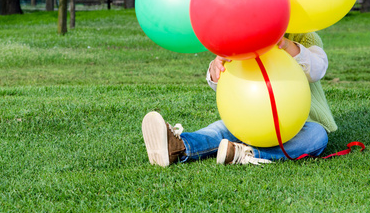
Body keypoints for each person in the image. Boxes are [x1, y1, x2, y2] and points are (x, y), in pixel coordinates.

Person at [142, 32, 338, 166]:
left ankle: (245, 153)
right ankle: (179, 146)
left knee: (317, 136)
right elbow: (224, 84)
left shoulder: (306, 36)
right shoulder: (245, 34)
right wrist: (216, 67)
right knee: (220, 128)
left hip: (301, 125)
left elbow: (317, 69)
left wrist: (286, 45)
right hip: (250, 119)